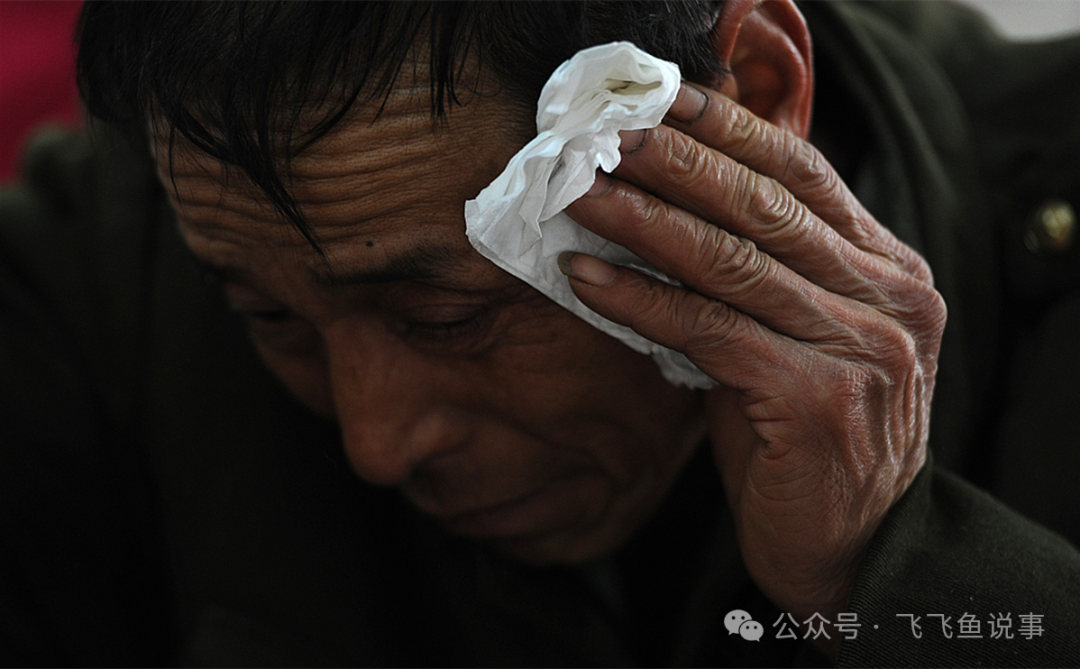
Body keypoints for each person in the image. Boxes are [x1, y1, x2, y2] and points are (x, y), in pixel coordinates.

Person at [2, 0, 1078, 666]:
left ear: (746, 100)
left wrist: (899, 573)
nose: (377, 443)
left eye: (449, 315)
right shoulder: (110, 267)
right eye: (268, 318)